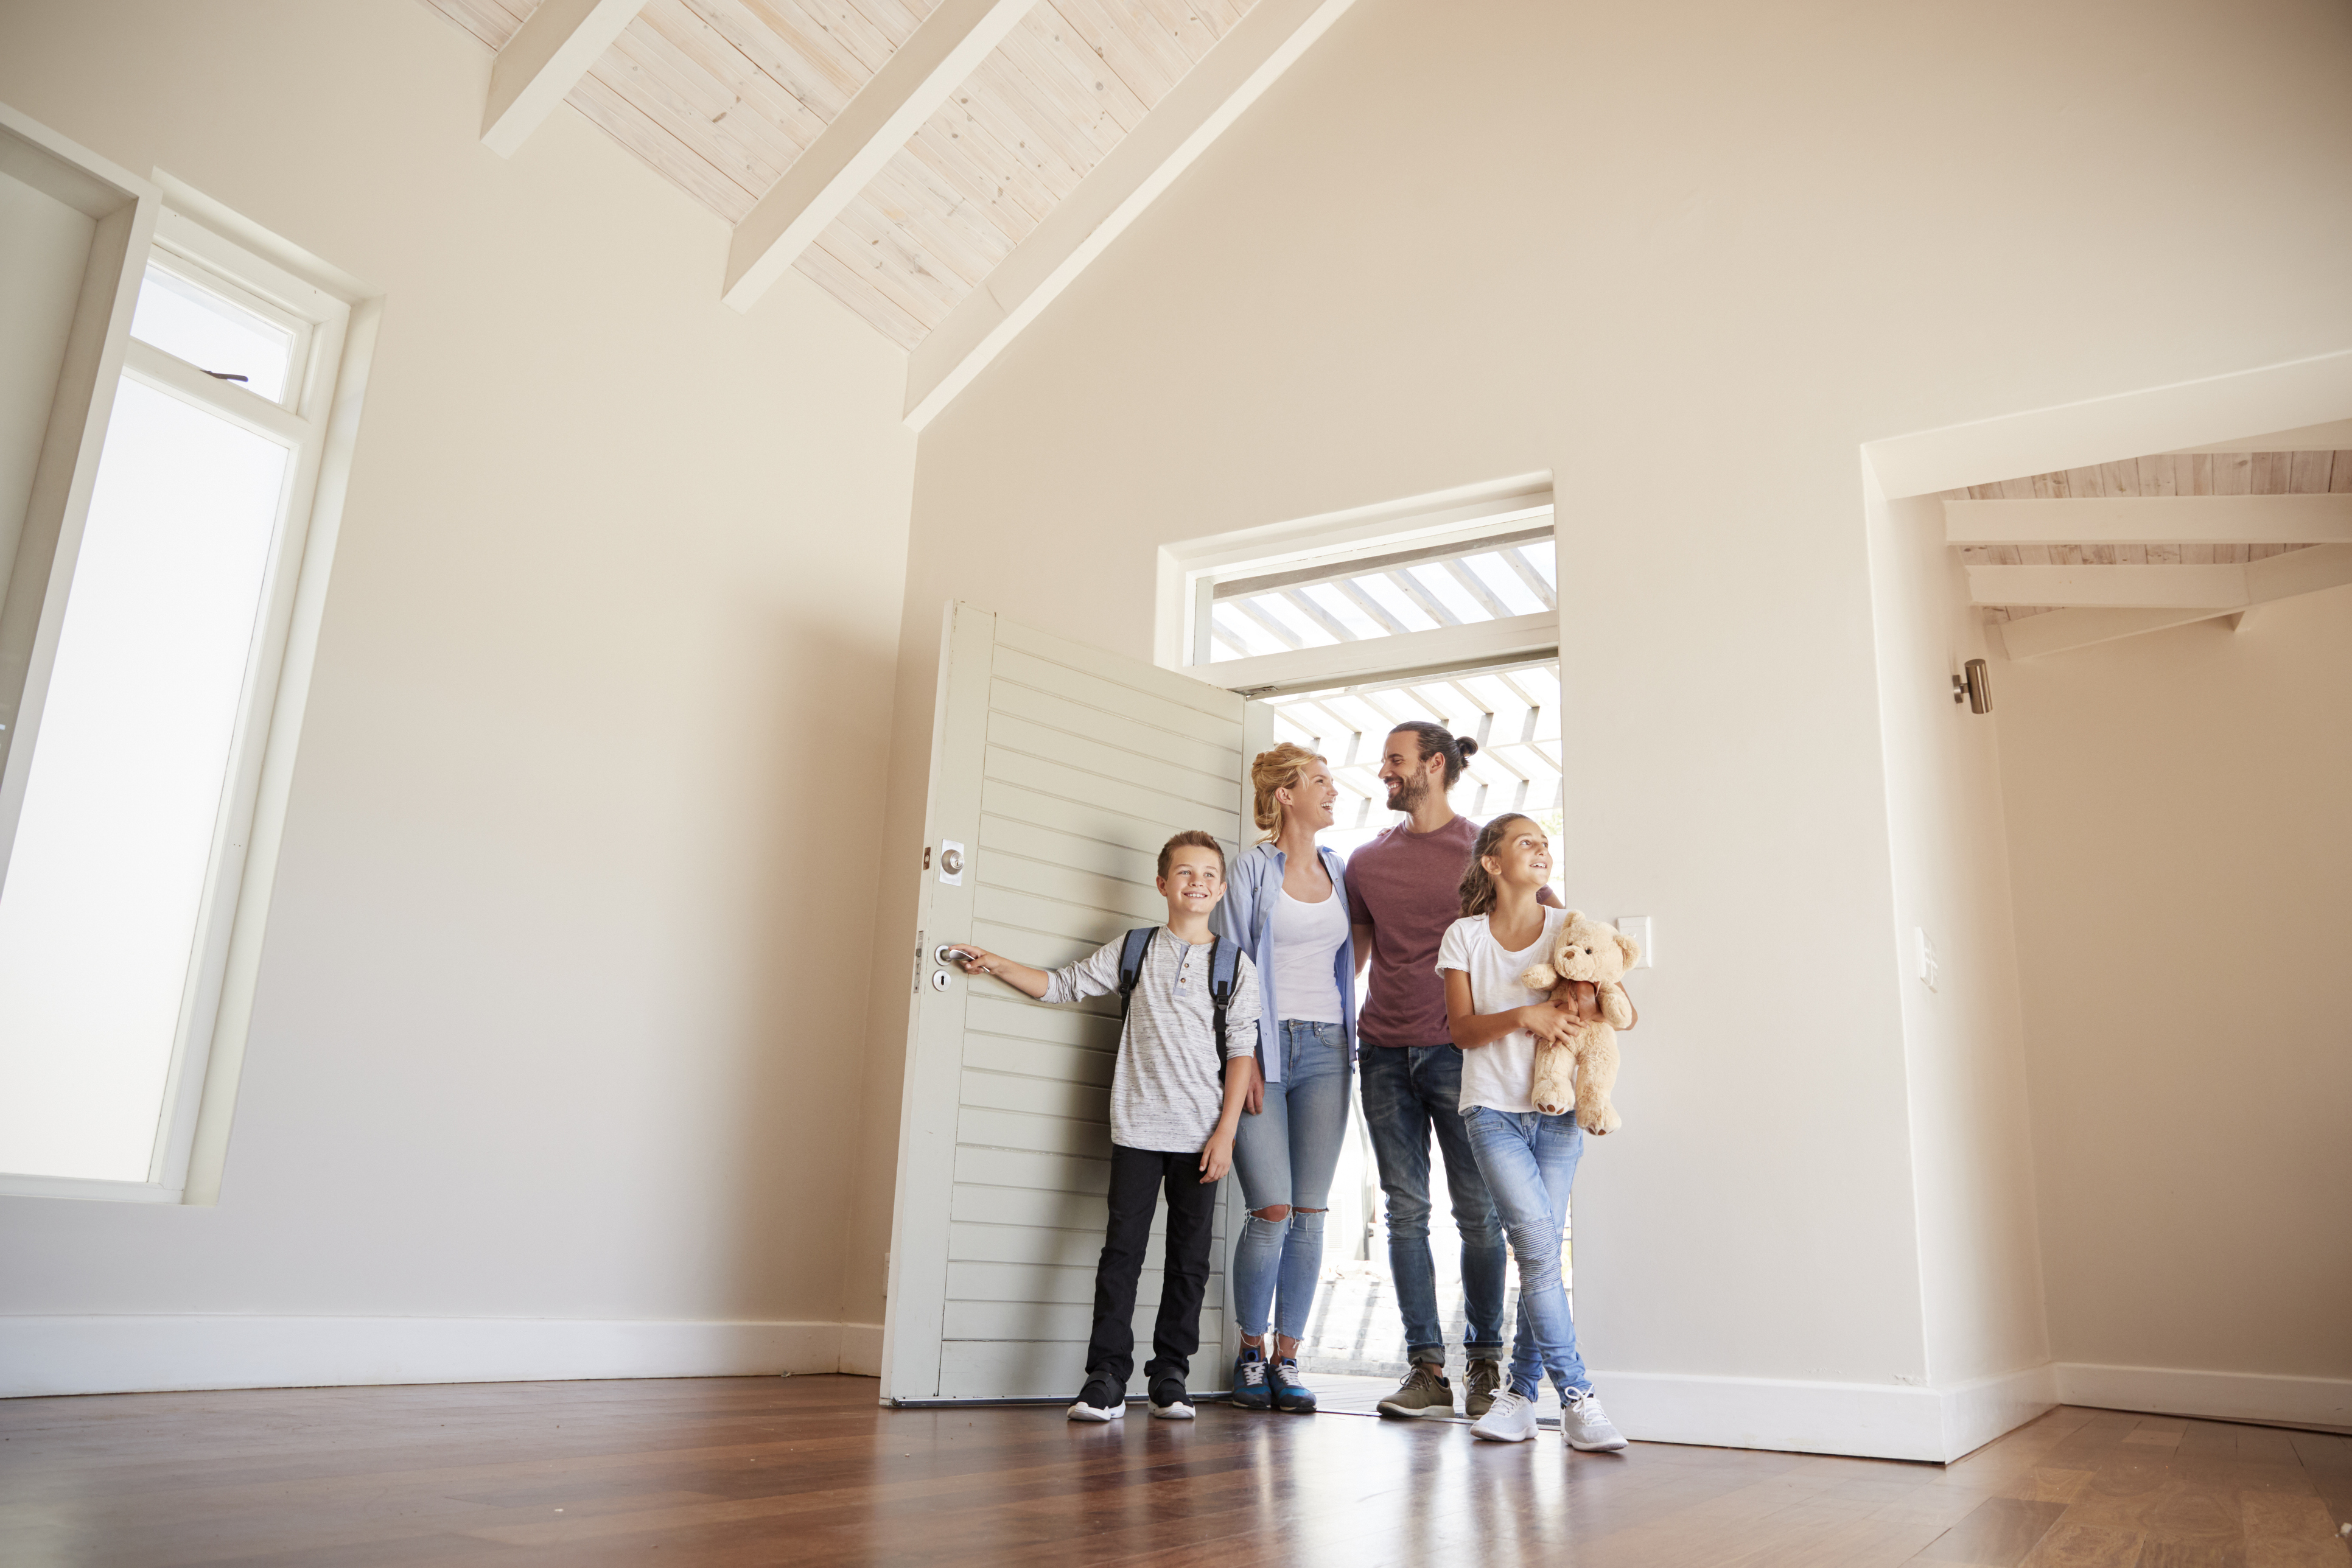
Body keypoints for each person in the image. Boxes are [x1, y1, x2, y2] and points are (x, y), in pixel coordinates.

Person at [947, 831, 1259, 1424]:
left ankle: (1170, 1376)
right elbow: (1061, 984)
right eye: (1184, 872)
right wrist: (996, 963)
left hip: (1201, 1137)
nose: (1196, 881)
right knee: (1122, 1253)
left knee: (1189, 1260)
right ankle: (1106, 1377)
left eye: (1208, 874)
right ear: (1163, 883)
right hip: (1137, 1129)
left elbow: (1243, 1050)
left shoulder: (1234, 964)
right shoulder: (1134, 949)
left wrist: (1227, 1132)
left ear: (1219, 888)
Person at [1347, 721, 1527, 1419]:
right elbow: (1356, 956)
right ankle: (1427, 1369)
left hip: (1460, 1051)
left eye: (1395, 760)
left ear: (1435, 764)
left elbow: (1533, 933)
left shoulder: (1483, 853)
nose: (1385, 771)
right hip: (1383, 1051)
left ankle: (1486, 1363)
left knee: (1478, 1212)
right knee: (1404, 1212)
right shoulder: (1365, 861)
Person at [1441, 813, 1630, 1451]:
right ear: (1492, 863)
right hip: (1491, 1110)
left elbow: (1616, 997)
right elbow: (1461, 1030)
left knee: (1539, 1250)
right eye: (1526, 841)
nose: (1541, 848)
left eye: (1545, 842)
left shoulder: (1569, 927)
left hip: (1558, 1118)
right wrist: (1527, 1014)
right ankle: (1579, 1397)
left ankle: (1521, 1396)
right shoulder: (1464, 936)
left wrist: (1586, 1010)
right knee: (1538, 1245)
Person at [1213, 743, 1356, 1415]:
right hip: (1265, 1053)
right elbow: (1231, 970)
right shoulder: (1250, 868)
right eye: (1321, 781)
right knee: (1270, 1208)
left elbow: (1345, 961)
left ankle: (1288, 1356)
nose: (1334, 790)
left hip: (1328, 1048)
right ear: (1287, 794)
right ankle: (1248, 1351)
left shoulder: (1340, 868)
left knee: (1310, 1213)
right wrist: (1246, 1060)